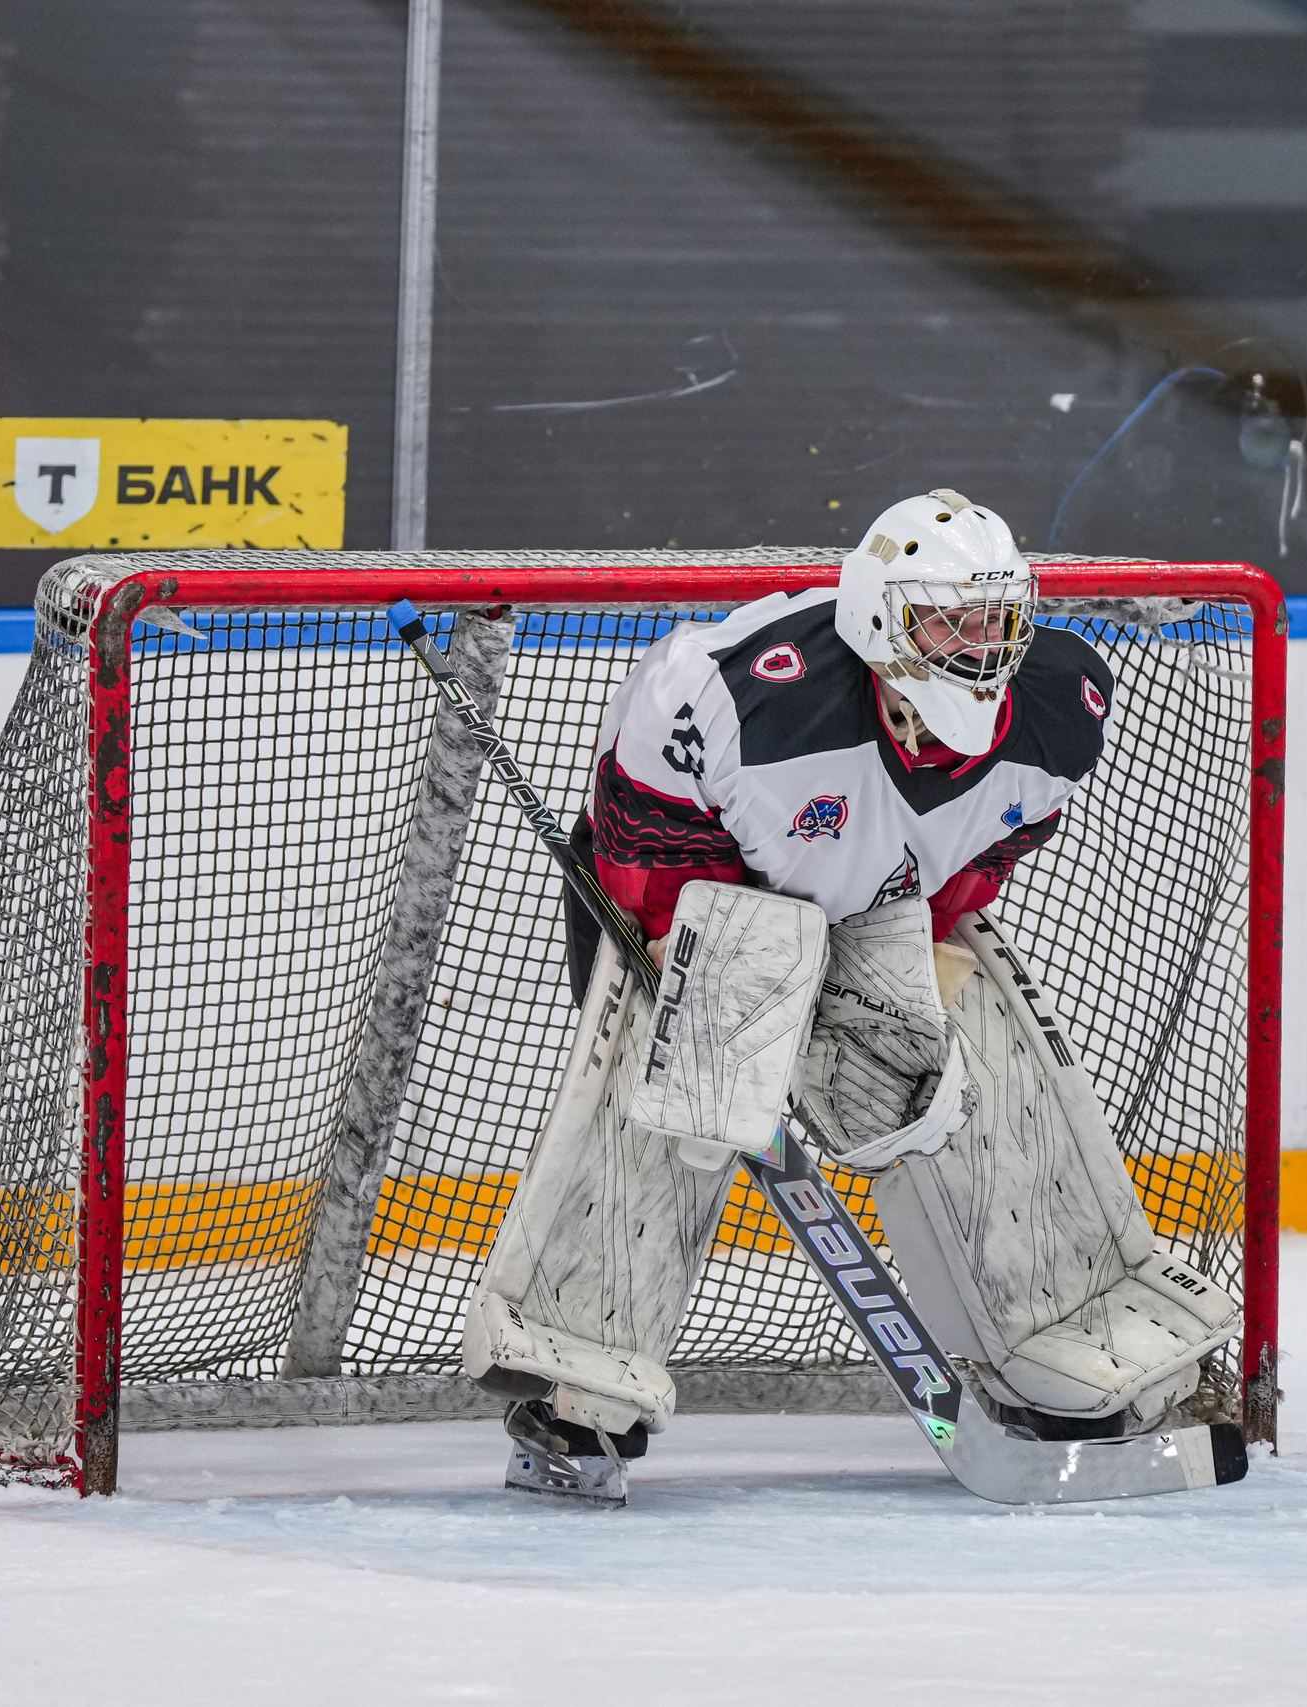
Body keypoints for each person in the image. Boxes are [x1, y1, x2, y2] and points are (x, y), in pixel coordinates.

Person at [462, 490, 1240, 1505]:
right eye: (946, 618)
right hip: (696, 904)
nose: (979, 644)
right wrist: (736, 990)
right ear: (879, 616)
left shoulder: (1057, 705)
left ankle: (1061, 1342)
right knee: (680, 1116)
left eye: (996, 617)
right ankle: (575, 1387)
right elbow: (644, 847)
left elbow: (983, 850)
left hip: (878, 909)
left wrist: (919, 963)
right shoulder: (739, 694)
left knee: (955, 1080)